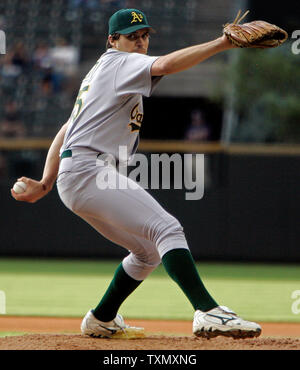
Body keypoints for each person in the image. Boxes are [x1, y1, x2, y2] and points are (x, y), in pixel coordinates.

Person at [11, 8, 261, 339]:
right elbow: (167, 65)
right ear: (112, 40)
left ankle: (102, 317)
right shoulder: (118, 62)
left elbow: (66, 129)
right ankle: (209, 312)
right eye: (132, 37)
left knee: (147, 253)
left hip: (80, 174)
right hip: (89, 171)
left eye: (144, 36)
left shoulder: (102, 72)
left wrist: (46, 182)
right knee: (167, 229)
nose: (140, 42)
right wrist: (222, 43)